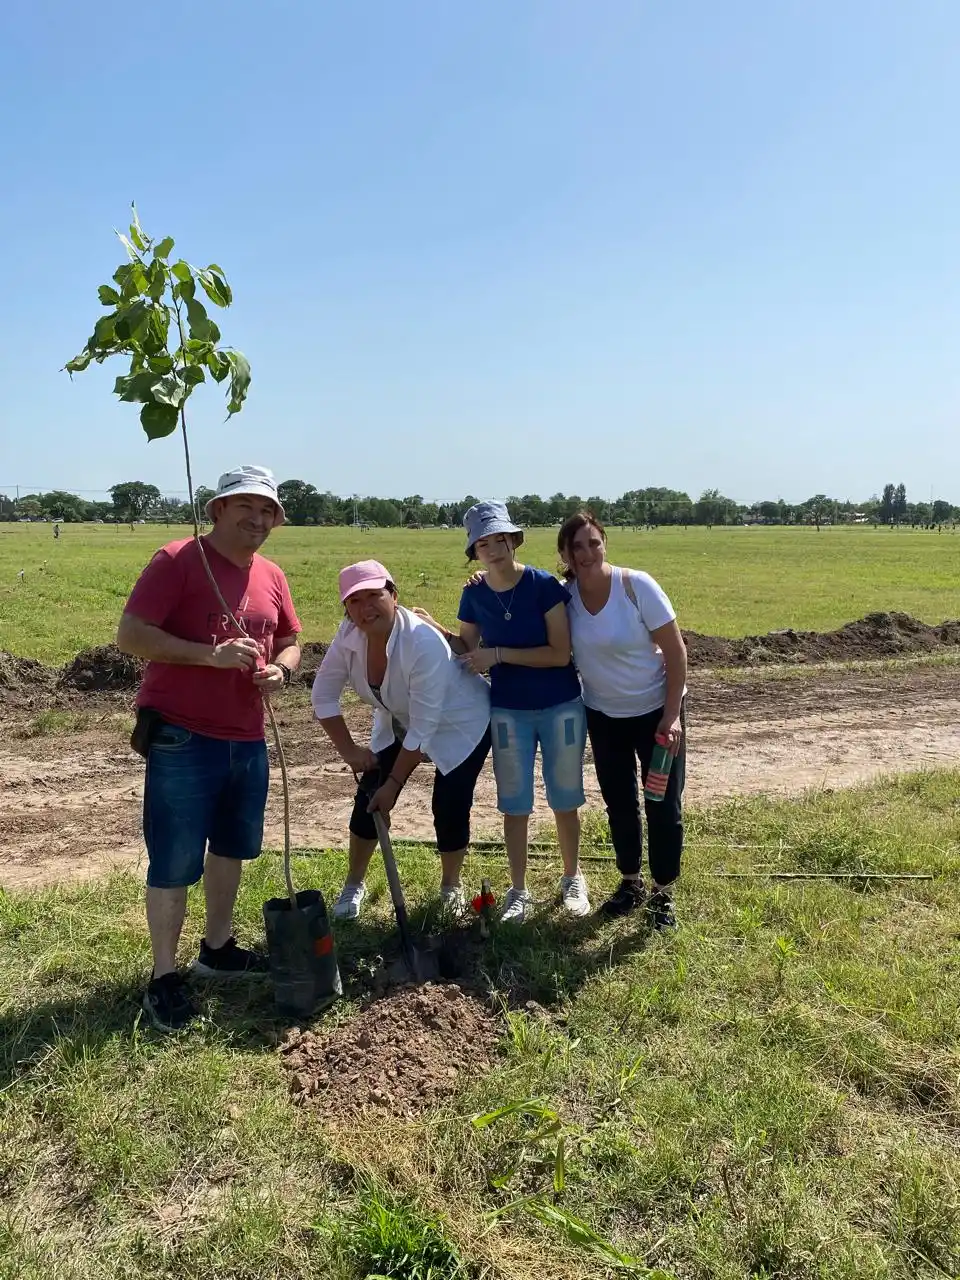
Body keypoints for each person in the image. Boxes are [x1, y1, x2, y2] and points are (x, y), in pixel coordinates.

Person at [117, 465, 301, 1031]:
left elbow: (291, 638)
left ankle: (217, 949)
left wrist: (282, 672)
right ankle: (164, 977)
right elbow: (130, 633)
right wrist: (209, 655)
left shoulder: (271, 573)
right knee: (174, 858)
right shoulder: (177, 560)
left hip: (247, 737)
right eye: (246, 506)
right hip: (182, 735)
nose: (258, 518)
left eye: (267, 510)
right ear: (217, 509)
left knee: (232, 847)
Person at [418, 501, 589, 923]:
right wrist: (434, 629)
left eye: (500, 539)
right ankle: (519, 890)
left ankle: (572, 878)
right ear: (474, 551)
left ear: (514, 540)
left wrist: (499, 655)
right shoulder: (473, 593)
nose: (493, 549)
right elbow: (468, 650)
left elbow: (559, 653)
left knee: (565, 798)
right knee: (514, 804)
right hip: (508, 710)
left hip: (561, 704)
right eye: (483, 543)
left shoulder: (544, 585)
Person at [312, 560, 491, 919]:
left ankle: (450, 887)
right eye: (354, 600)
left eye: (375, 595)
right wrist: (349, 751)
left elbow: (424, 729)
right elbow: (323, 696)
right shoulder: (348, 635)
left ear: (394, 596)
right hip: (400, 717)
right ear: (346, 608)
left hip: (460, 721)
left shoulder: (422, 642)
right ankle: (354, 885)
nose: (366, 608)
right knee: (368, 798)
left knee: (449, 803)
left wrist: (394, 784)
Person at [558, 511, 687, 929]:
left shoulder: (636, 586)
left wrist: (671, 716)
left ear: (605, 543)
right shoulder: (566, 597)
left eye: (593, 543)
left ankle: (662, 893)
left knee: (661, 805)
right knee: (619, 804)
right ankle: (630, 882)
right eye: (577, 546)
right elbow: (522, 596)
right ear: (565, 553)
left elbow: (676, 652)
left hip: (655, 715)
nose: (587, 553)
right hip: (604, 717)